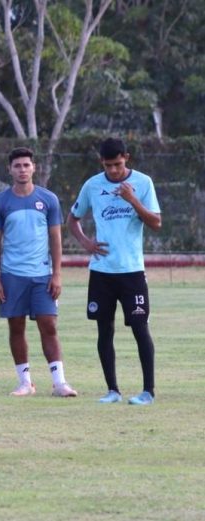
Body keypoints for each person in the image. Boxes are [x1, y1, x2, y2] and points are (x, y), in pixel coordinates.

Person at [67, 137, 161, 405]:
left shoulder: (143, 183)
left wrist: (132, 200)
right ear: (102, 162)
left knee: (140, 329)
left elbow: (155, 222)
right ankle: (112, 390)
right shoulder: (92, 186)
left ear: (126, 158)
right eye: (108, 166)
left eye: (118, 165)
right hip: (102, 272)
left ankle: (148, 392)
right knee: (104, 330)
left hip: (131, 271)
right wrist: (86, 242)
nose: (114, 171)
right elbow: (72, 219)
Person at [0, 147, 77, 397]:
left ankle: (59, 383)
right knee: (16, 327)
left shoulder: (48, 199)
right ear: (10, 169)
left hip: (42, 275)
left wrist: (57, 273)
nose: (22, 170)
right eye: (17, 166)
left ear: (34, 168)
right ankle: (25, 382)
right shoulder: (0, 202)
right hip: (11, 275)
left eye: (26, 165)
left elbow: (56, 238)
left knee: (48, 325)